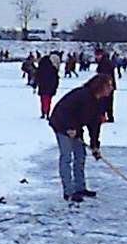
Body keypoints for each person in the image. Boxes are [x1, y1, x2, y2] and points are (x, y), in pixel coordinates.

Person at [48, 74, 113, 202]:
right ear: (100, 86)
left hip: (75, 127)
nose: (111, 88)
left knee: (80, 155)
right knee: (66, 156)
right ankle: (69, 192)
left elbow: (95, 124)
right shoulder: (82, 95)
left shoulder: (99, 101)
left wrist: (95, 145)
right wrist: (69, 127)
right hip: (61, 124)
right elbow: (63, 111)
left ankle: (80, 188)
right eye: (108, 85)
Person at [95, 48, 117, 122]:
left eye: (98, 55)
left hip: (106, 86)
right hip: (107, 85)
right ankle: (108, 116)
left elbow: (104, 75)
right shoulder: (105, 62)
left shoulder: (104, 63)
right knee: (107, 101)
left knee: (104, 102)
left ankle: (104, 116)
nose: (96, 57)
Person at [36, 54, 60, 119]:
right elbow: (56, 78)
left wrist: (36, 84)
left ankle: (44, 112)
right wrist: (55, 86)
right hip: (50, 86)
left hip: (43, 85)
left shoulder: (42, 66)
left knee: (43, 100)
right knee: (48, 100)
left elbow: (37, 75)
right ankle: (47, 112)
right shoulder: (53, 68)